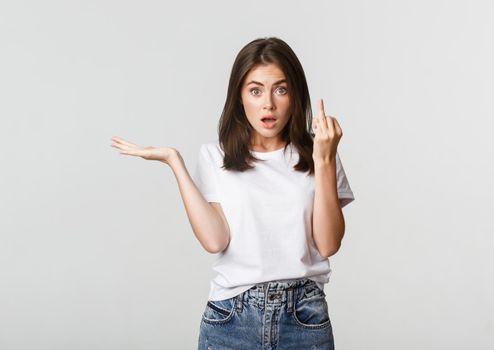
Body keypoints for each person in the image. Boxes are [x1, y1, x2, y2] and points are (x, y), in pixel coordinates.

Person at [110, 37, 355, 349]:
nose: (268, 103)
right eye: (255, 90)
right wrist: (175, 162)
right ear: (240, 97)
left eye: (280, 89)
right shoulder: (216, 156)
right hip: (232, 317)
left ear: (295, 94)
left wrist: (325, 159)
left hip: (304, 317)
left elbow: (329, 243)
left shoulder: (319, 153)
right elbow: (215, 241)